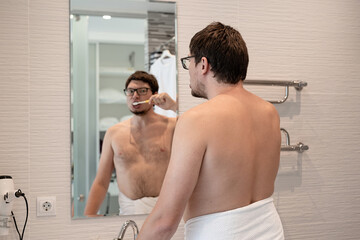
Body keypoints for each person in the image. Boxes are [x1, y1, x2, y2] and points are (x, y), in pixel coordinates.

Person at [137, 22, 284, 240]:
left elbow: (164, 223)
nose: (189, 72)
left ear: (203, 64)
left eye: (189, 62)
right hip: (271, 232)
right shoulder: (269, 112)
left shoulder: (196, 120)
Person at [84, 71, 177, 216]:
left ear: (155, 95)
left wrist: (174, 106)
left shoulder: (172, 126)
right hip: (128, 213)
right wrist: (88, 216)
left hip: (164, 212)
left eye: (142, 91)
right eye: (130, 91)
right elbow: (101, 181)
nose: (135, 96)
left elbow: (199, 126)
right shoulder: (113, 133)